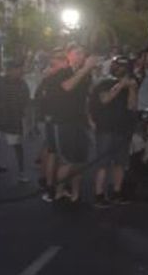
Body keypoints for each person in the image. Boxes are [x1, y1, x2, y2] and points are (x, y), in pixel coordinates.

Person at [49, 45, 100, 203]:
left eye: (83, 53)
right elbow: (68, 87)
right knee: (67, 160)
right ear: (69, 56)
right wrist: (86, 68)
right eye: (77, 53)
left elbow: (85, 99)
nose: (81, 55)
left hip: (80, 122)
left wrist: (90, 119)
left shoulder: (86, 75)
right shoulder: (62, 72)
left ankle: (75, 193)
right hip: (64, 121)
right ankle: (58, 191)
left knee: (80, 160)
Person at [89, 56, 138, 207]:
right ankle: (99, 194)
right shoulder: (104, 82)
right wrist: (120, 85)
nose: (121, 68)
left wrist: (132, 89)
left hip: (123, 129)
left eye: (124, 66)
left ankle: (117, 192)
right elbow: (105, 99)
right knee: (103, 163)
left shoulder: (127, 85)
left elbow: (132, 107)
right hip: (105, 129)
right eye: (118, 65)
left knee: (120, 163)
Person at [0, 60, 32, 186]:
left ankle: (21, 172)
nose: (20, 71)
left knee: (17, 147)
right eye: (18, 69)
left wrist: (29, 123)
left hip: (13, 121)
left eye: (20, 69)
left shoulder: (23, 84)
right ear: (10, 70)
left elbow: (27, 104)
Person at [34, 50, 69, 201]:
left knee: (49, 150)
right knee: (53, 152)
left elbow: (37, 96)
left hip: (48, 118)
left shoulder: (48, 78)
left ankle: (46, 180)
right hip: (51, 119)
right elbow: (41, 98)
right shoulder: (51, 78)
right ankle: (49, 184)